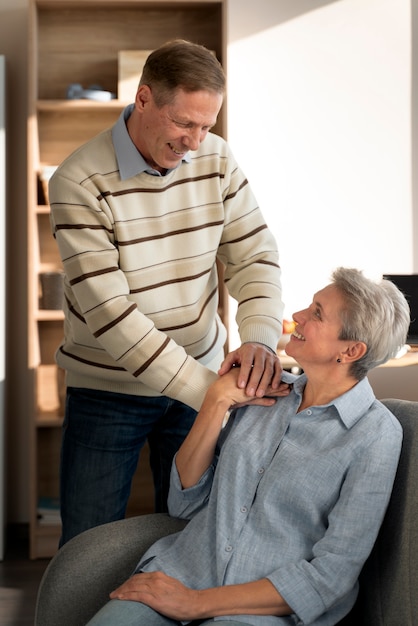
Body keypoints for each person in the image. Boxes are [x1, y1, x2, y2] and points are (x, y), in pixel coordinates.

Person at [48, 39, 286, 547]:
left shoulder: (216, 159)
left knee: (191, 538)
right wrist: (212, 393)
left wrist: (260, 342)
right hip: (107, 390)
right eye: (184, 123)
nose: (196, 142)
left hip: (201, 373)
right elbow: (113, 316)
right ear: (144, 100)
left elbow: (254, 256)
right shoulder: (79, 180)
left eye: (207, 125)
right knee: (86, 548)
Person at [85, 267, 410, 626]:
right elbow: (185, 502)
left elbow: (331, 576)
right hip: (180, 575)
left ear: (350, 350)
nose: (298, 316)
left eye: (317, 313)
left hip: (258, 614)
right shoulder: (260, 391)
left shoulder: (376, 435)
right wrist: (216, 401)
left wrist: (196, 603)